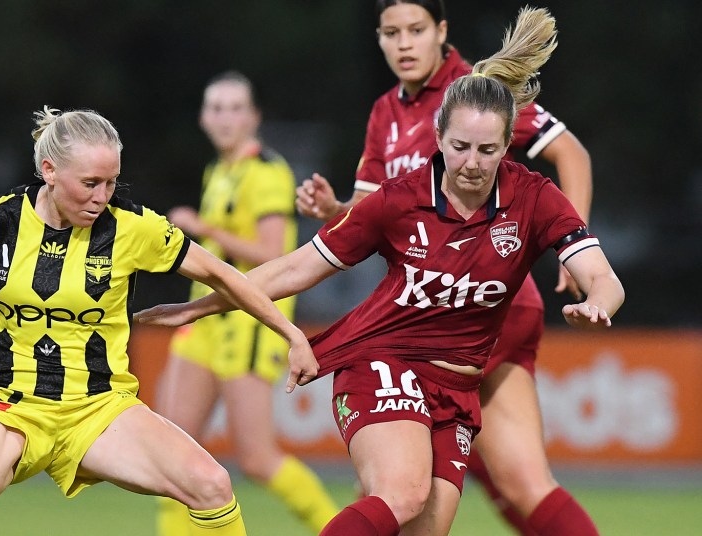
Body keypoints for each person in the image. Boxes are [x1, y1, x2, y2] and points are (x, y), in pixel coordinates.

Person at [135, 7, 625, 536]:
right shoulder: (396, 171)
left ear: (508, 145)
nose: (472, 163)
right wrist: (205, 304)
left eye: (487, 149)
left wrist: (595, 295)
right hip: (388, 351)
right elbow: (303, 263)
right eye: (392, 33)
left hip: (469, 356)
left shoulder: (504, 146)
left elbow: (603, 270)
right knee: (403, 490)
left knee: (436, 512)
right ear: (437, 138)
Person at [0, 107, 322, 536]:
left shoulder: (133, 228)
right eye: (90, 183)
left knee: (212, 484)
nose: (102, 196)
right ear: (48, 170)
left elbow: (225, 275)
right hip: (4, 405)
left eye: (111, 183)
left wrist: (290, 332)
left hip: (97, 409)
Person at [295, 1, 598, 533]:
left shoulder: (474, 96)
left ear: (442, 32)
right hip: (442, 312)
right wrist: (333, 211)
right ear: (379, 38)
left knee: (396, 485)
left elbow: (571, 153)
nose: (404, 44)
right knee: (510, 483)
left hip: (475, 312)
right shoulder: (386, 112)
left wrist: (574, 248)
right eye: (392, 32)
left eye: (416, 30)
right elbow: (371, 218)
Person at [153, 71, 339, 535]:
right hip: (204, 321)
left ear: (254, 117)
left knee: (256, 457)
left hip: (248, 323)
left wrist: (204, 228)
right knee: (171, 447)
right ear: (203, 117)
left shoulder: (266, 171)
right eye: (216, 107)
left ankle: (338, 527)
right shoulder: (218, 171)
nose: (225, 118)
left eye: (236, 108)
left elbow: (275, 255)